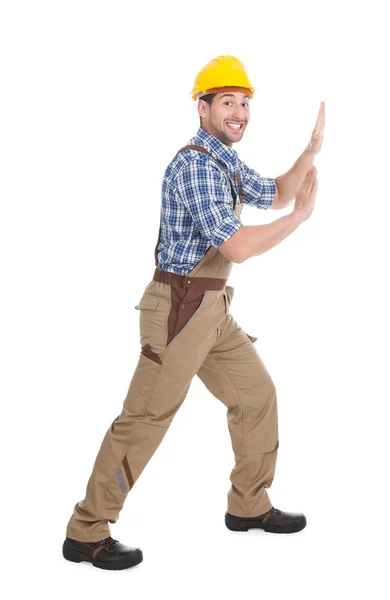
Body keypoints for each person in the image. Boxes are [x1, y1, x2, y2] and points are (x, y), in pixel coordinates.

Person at [62, 55, 324, 570]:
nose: (240, 112)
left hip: (211, 309)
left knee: (256, 396)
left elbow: (275, 191)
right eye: (228, 101)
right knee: (144, 419)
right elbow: (238, 248)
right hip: (179, 309)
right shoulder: (196, 165)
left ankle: (248, 504)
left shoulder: (223, 160)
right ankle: (86, 530)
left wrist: (310, 152)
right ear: (202, 107)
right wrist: (299, 220)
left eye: (245, 103)